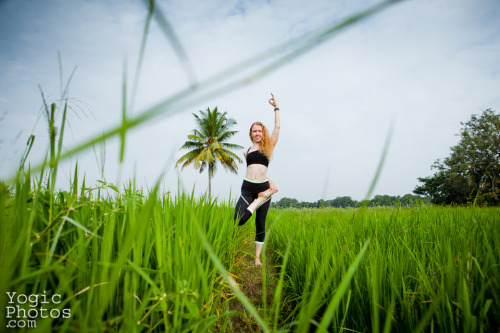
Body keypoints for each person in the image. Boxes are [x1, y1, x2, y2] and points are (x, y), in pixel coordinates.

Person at [234, 92, 280, 266]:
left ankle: (257, 259)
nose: (257, 133)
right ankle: (259, 199)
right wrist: (267, 186)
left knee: (260, 224)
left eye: (260, 131)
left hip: (263, 187)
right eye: (255, 131)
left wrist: (276, 107)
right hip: (247, 188)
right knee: (239, 219)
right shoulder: (246, 151)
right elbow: (254, 170)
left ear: (263, 133)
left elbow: (277, 128)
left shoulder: (268, 146)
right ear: (251, 134)